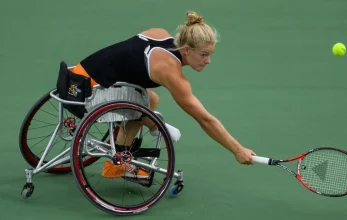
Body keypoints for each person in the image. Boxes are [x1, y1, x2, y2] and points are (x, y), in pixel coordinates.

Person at [70, 10, 257, 179]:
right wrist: (237, 150)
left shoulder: (158, 34)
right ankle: (117, 164)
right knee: (142, 104)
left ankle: (133, 144)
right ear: (186, 50)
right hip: (88, 97)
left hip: (74, 80)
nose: (208, 61)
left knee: (150, 98)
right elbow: (205, 119)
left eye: (210, 54)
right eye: (203, 54)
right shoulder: (170, 72)